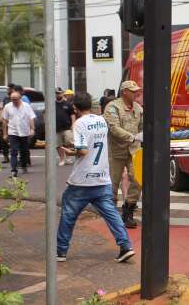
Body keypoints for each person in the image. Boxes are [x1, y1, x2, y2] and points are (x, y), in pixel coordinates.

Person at [56, 92, 135, 263]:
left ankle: (61, 251)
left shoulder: (79, 124)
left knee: (68, 215)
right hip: (102, 178)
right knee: (111, 214)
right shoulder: (101, 121)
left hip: (82, 180)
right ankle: (125, 246)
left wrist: (71, 151)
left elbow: (83, 150)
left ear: (75, 107)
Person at [103, 81, 143, 229]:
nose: (136, 93)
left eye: (137, 91)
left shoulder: (138, 108)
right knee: (112, 183)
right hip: (117, 151)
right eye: (133, 91)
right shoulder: (113, 107)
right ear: (124, 91)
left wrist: (141, 136)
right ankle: (110, 213)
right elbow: (113, 128)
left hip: (134, 150)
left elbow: (141, 126)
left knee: (138, 179)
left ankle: (129, 209)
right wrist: (133, 137)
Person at [1, 92, 35, 177]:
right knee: (14, 151)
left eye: (16, 99)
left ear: (20, 98)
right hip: (13, 132)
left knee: (24, 151)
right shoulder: (7, 106)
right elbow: (4, 120)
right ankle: (14, 170)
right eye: (12, 99)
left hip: (24, 131)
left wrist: (32, 129)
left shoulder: (26, 106)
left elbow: (31, 118)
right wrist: (4, 134)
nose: (14, 101)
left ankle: (23, 165)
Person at [55, 87, 76, 166]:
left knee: (68, 142)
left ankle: (67, 157)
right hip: (56, 128)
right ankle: (62, 159)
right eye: (57, 93)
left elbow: (72, 115)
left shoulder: (68, 104)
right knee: (58, 145)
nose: (58, 94)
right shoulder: (52, 104)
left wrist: (73, 124)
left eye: (59, 93)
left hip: (67, 127)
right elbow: (45, 113)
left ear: (63, 93)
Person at [0, 83, 16, 164]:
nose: (7, 90)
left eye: (9, 89)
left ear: (13, 89)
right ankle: (6, 157)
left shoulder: (16, 98)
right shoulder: (5, 99)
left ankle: (20, 158)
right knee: (4, 140)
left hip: (14, 123)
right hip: (6, 122)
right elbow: (2, 109)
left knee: (16, 140)